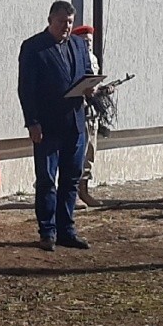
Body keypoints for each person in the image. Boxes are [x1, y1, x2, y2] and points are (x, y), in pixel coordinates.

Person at [18, 1, 94, 251]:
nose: (66, 27)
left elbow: (84, 73)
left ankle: (66, 230)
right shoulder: (33, 48)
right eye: (62, 22)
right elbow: (26, 89)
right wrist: (32, 122)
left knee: (71, 178)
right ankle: (47, 232)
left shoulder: (78, 44)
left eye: (70, 22)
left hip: (75, 123)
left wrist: (91, 88)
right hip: (47, 125)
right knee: (47, 180)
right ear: (50, 19)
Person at [71, 24, 110, 208]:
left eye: (89, 41)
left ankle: (84, 191)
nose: (87, 44)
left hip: (91, 112)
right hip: (79, 111)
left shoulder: (92, 59)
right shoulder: (72, 57)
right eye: (84, 41)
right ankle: (74, 194)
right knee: (77, 153)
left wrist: (103, 89)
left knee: (90, 153)